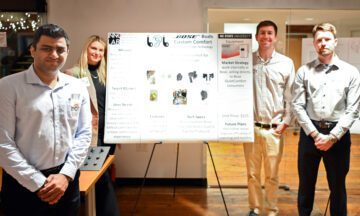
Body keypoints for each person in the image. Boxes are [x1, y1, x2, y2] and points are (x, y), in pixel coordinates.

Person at [0, 24, 92, 216]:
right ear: (33, 50)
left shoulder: (77, 87)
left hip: (66, 180)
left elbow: (84, 134)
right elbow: (3, 143)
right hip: (22, 183)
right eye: (46, 48)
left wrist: (66, 175)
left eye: (60, 49)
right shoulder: (8, 87)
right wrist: (38, 182)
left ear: (67, 52)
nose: (54, 54)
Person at [292, 23, 360, 216]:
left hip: (338, 136)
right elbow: (297, 105)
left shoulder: (350, 72)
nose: (323, 43)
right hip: (309, 134)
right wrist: (314, 134)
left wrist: (332, 137)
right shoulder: (303, 71)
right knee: (306, 185)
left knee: (338, 187)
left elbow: (353, 109)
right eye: (319, 40)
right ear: (314, 44)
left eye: (327, 39)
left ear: (335, 42)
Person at [243, 20, 295, 216]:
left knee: (272, 174)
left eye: (269, 33)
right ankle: (254, 209)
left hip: (275, 129)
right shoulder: (247, 61)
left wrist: (286, 122)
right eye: (262, 33)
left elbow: (291, 97)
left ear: (276, 37)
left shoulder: (286, 63)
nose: (266, 36)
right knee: (252, 174)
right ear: (256, 37)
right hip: (251, 128)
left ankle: (271, 210)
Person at [64, 35, 120, 216]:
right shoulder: (72, 74)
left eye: (100, 50)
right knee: (96, 176)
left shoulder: (107, 75)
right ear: (86, 49)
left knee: (102, 174)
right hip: (89, 134)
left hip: (108, 133)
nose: (97, 53)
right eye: (93, 48)